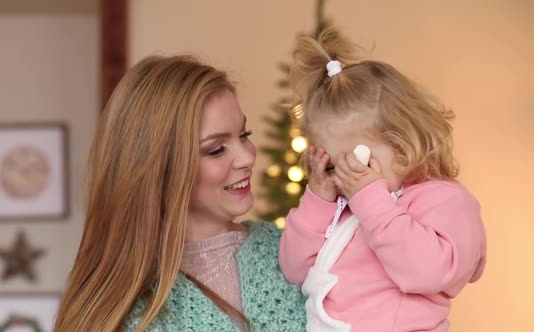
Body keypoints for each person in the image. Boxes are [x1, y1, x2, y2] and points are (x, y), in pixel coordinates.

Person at [53, 55, 307, 332]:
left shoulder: (292, 252)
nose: (247, 157)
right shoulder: (122, 310)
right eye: (216, 149)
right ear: (161, 168)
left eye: (244, 135)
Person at [278, 29, 487, 331]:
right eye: (334, 166)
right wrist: (318, 199)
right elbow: (294, 270)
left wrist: (372, 202)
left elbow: (428, 273)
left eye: (356, 162)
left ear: (402, 145)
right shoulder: (341, 207)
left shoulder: (445, 200)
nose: (344, 179)